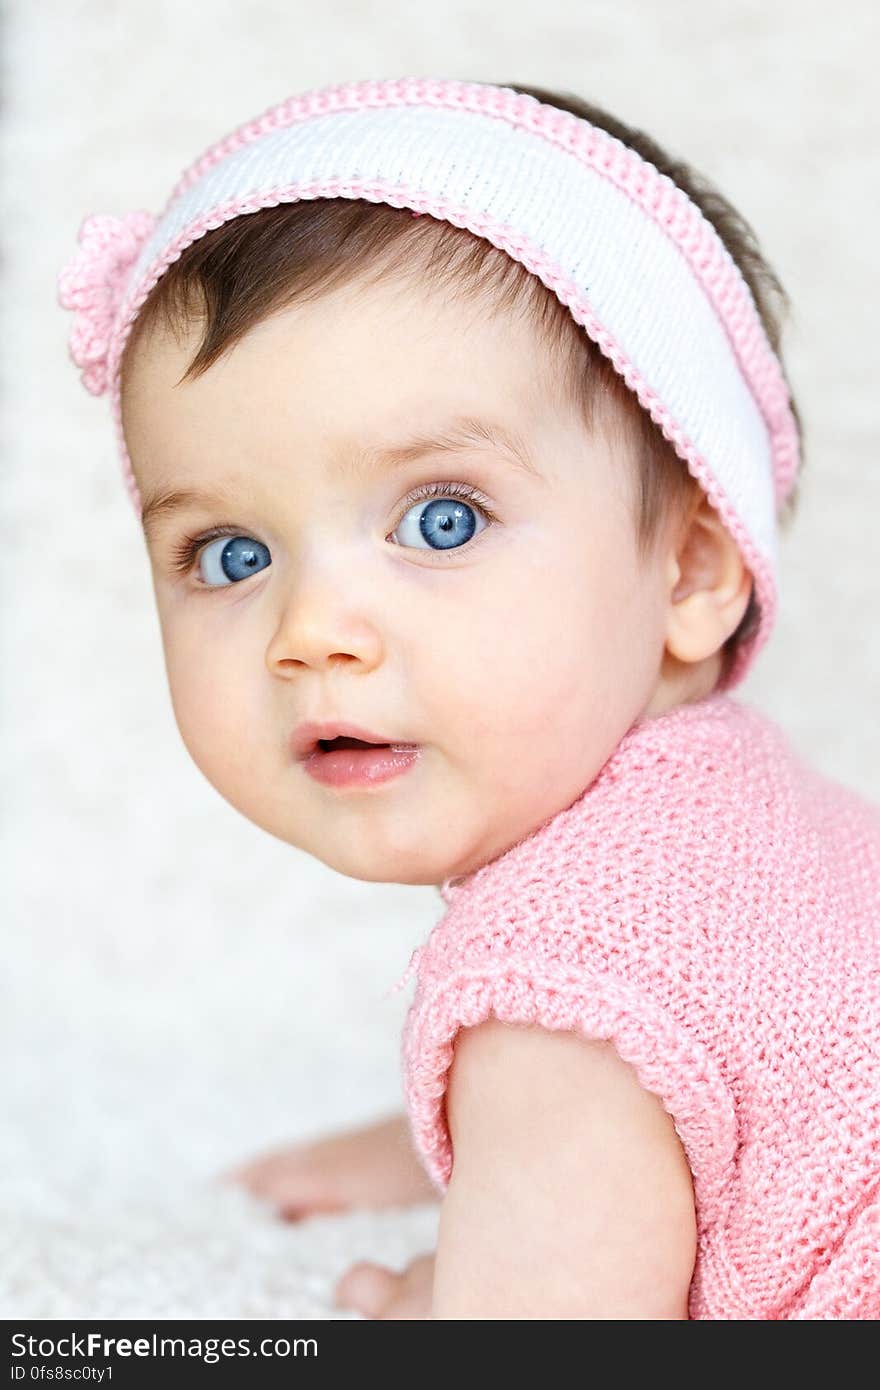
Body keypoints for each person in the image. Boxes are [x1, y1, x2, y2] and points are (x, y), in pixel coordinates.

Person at [57, 76, 880, 1319]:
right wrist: (448, 1140)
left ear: (692, 571)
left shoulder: (557, 995)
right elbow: (727, 1075)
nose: (310, 632)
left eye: (441, 521)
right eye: (232, 552)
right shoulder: (751, 820)